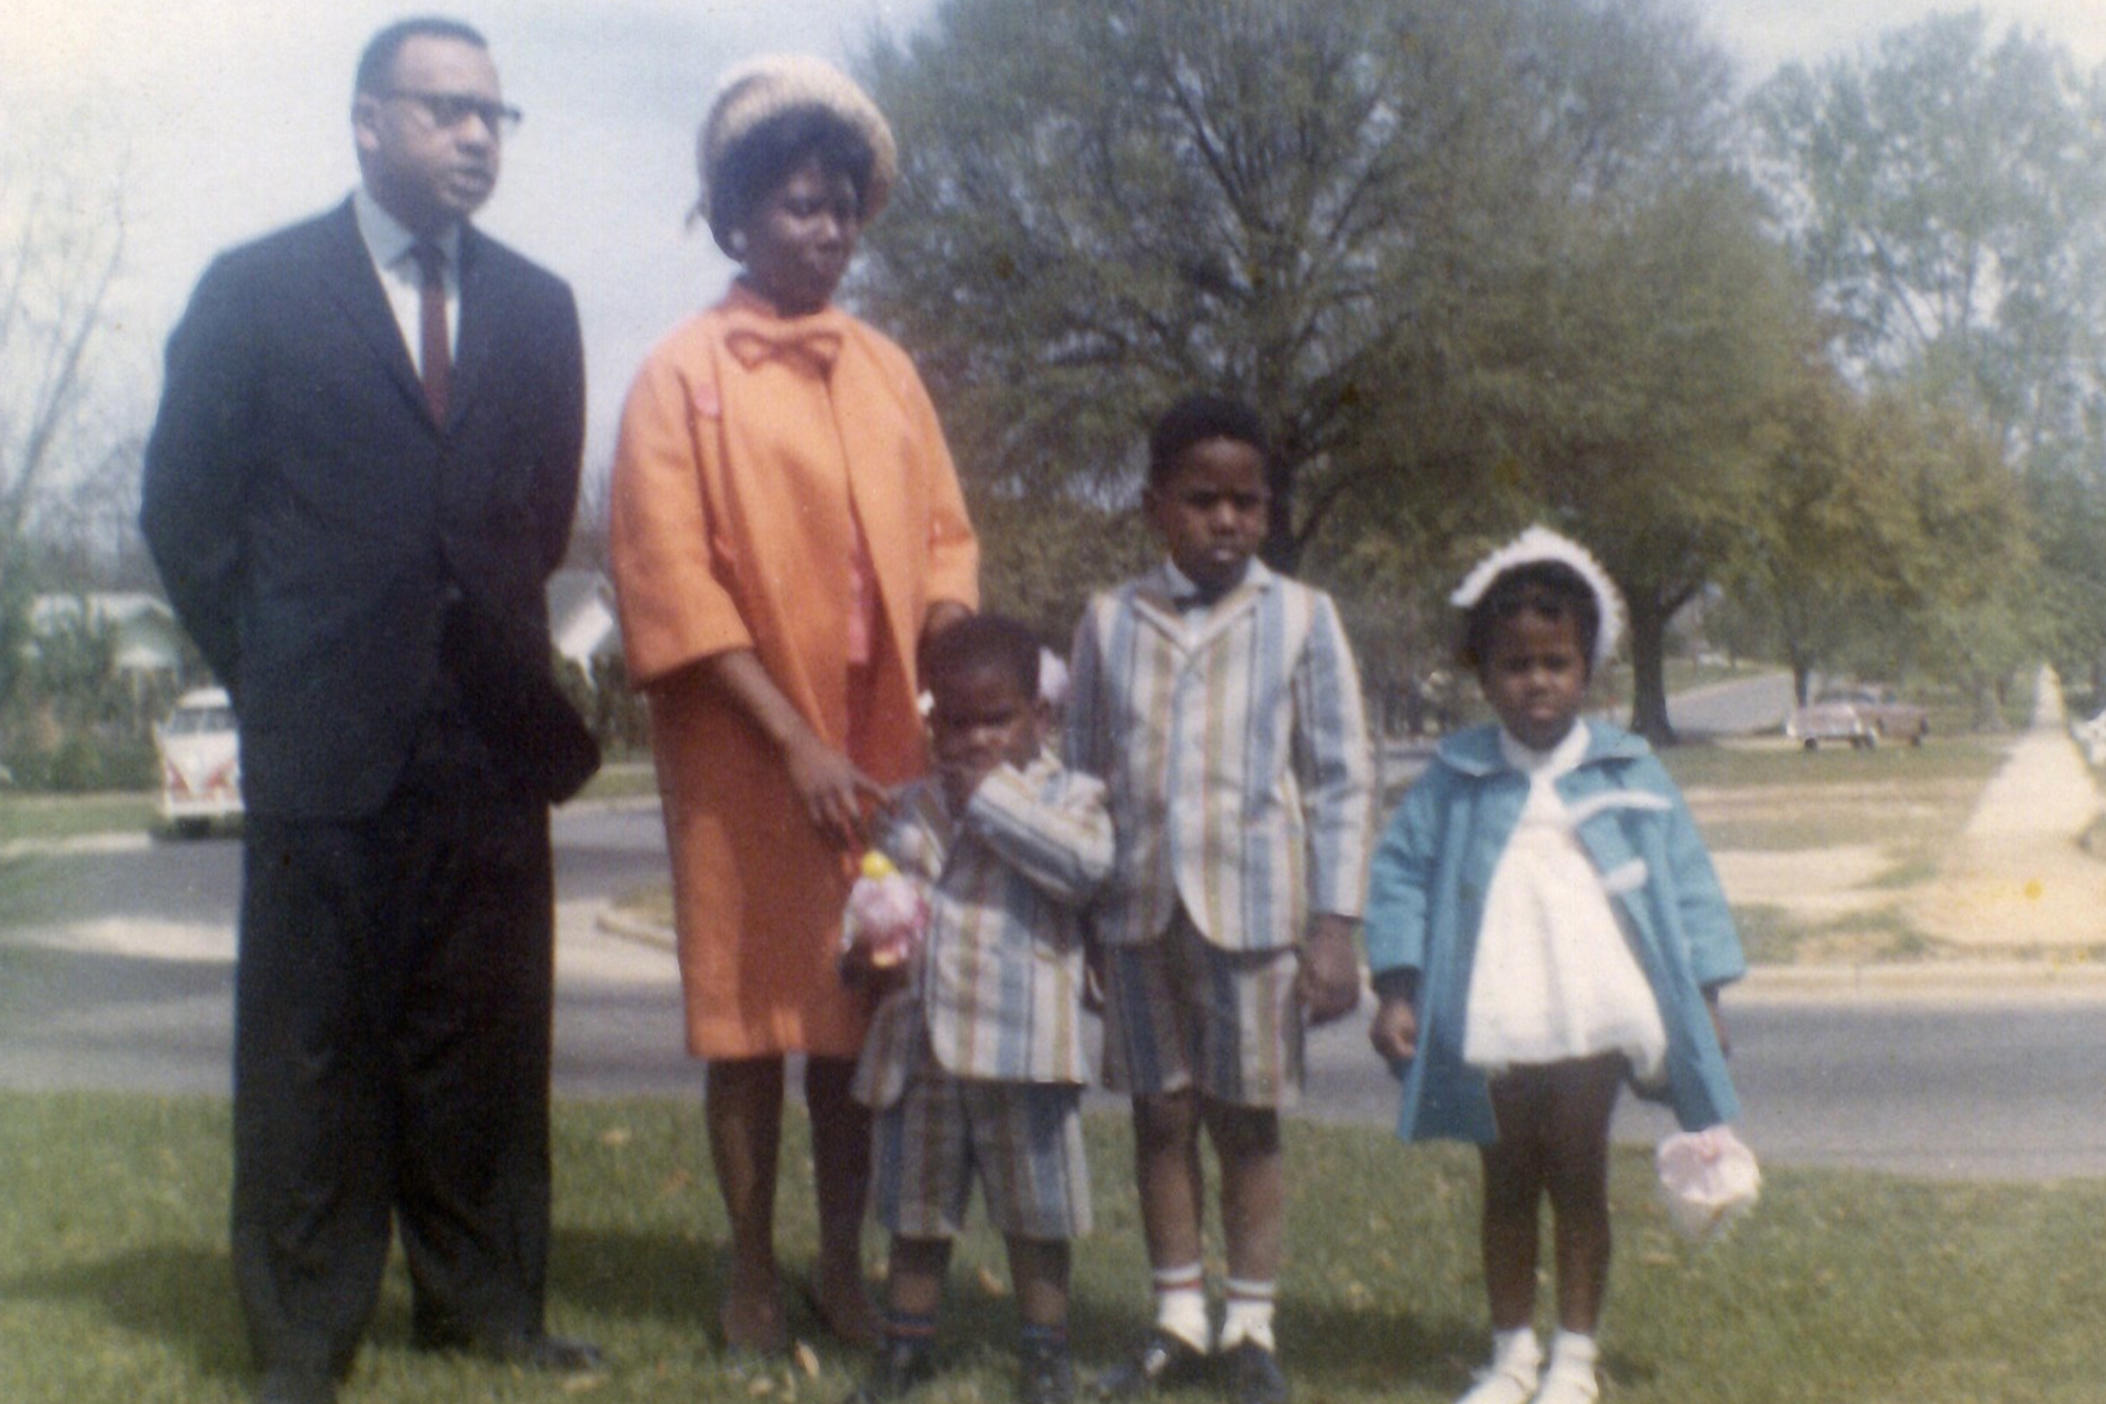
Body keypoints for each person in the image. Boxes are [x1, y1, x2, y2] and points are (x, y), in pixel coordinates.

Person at [138, 18, 599, 1404]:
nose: (476, 136)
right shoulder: (257, 290)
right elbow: (184, 512)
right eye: (447, 109)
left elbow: (535, 512)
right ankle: (301, 1338)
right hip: (324, 737)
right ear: (365, 122)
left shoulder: (539, 306)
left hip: (486, 739)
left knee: (485, 1049)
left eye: (495, 116)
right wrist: (275, 662)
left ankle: (486, 1314)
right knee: (313, 1053)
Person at [607, 53, 978, 1356]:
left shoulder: (885, 370)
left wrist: (951, 664)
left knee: (856, 1020)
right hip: (745, 754)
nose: (820, 230)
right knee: (751, 1022)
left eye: (840, 206)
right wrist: (794, 739)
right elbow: (667, 577)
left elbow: (943, 543)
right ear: (735, 218)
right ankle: (751, 1271)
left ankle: (840, 1267)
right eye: (793, 205)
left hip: (881, 754)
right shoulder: (679, 374)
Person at [1362, 526, 1747, 1404]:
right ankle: (1510, 1357)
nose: (1536, 682)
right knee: (1505, 1179)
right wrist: (1398, 983)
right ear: (1484, 673)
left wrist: (1706, 995)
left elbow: (1687, 881)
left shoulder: (1629, 766)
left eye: (1556, 663)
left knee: (1577, 1171)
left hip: (1594, 997)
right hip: (1493, 999)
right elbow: (1402, 875)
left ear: (1589, 671)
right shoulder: (1456, 774)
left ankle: (1573, 1358)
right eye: (1514, 665)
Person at [1065, 394, 1374, 1404]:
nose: (1229, 521)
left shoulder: (1302, 616)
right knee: (1160, 1114)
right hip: (1138, 911)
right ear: (1157, 505)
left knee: (1249, 1121)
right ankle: (1176, 1319)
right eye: (1203, 501)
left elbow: (1339, 777)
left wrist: (1336, 923)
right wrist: (1082, 921)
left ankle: (1250, 1323)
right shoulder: (1109, 622)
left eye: (1248, 502)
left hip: (1256, 917)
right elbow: (1081, 776)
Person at [843, 615, 1112, 1404]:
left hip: (1023, 1048)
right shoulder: (910, 805)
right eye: (955, 722)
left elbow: (1084, 871)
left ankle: (1046, 1353)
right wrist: (862, 946)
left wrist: (992, 803)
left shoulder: (1072, 798)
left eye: (997, 720)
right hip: (921, 1045)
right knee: (916, 1211)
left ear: (1040, 717)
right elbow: (876, 892)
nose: (974, 740)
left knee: (1037, 1216)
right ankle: (905, 1349)